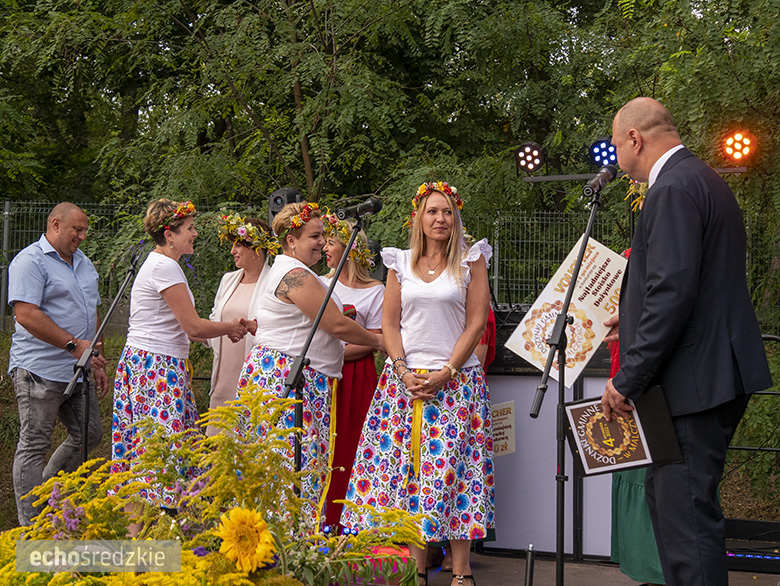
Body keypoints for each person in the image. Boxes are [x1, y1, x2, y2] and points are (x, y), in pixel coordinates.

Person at [600, 97, 772, 586]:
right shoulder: (701, 179)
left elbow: (672, 290)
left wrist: (628, 377)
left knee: (687, 523)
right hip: (710, 373)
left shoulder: (671, 188)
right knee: (677, 508)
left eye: (616, 145)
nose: (615, 157)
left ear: (635, 138)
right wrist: (629, 319)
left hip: (693, 385)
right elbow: (692, 286)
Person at [341, 181, 494, 586]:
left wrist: (448, 370)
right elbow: (389, 324)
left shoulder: (471, 260)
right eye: (432, 211)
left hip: (456, 382)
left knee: (456, 472)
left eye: (447, 211)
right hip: (404, 383)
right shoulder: (399, 262)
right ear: (419, 218)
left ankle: (461, 571)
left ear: (456, 216)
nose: (440, 219)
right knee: (410, 473)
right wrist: (403, 369)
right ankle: (417, 568)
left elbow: (477, 322)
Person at [236, 201, 384, 517]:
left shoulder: (293, 271)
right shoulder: (295, 275)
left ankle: (287, 546)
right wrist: (379, 341)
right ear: (292, 240)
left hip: (291, 375)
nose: (321, 242)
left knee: (293, 465)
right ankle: (287, 547)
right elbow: (336, 324)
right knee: (291, 467)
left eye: (323, 236)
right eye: (314, 236)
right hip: (286, 380)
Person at [111, 199, 246, 520]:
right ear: (168, 234)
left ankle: (146, 549)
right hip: (156, 369)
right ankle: (160, 545)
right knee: (163, 456)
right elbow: (194, 327)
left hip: (152, 364)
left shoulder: (160, 264)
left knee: (148, 456)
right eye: (189, 229)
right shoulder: (165, 267)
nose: (195, 233)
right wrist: (232, 327)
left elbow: (191, 331)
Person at [8, 202, 109, 526]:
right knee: (34, 443)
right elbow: (25, 314)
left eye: (84, 231)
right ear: (55, 224)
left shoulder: (83, 263)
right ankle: (31, 526)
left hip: (78, 371)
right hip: (39, 370)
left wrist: (96, 359)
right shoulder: (30, 261)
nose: (82, 236)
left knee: (90, 434)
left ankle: (48, 491)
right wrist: (72, 344)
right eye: (76, 230)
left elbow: (91, 310)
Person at [320, 214, 385, 530]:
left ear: (349, 248)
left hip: (357, 376)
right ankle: (323, 518)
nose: (324, 248)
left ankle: (354, 520)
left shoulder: (375, 291)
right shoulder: (317, 284)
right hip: (323, 375)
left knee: (354, 443)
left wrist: (336, 353)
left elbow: (376, 340)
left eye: (330, 242)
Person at [204, 214, 280, 437]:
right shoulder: (228, 279)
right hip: (222, 376)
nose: (232, 251)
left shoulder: (273, 282)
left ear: (256, 248)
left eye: (238, 245)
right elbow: (214, 318)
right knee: (218, 449)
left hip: (253, 376)